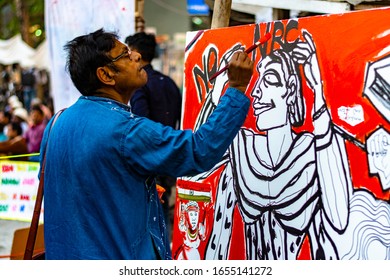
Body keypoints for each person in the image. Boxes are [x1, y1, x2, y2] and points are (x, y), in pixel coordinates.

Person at [40, 28, 253, 260]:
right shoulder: (126, 130)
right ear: (106, 75)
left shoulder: (56, 123)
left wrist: (134, 189)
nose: (137, 56)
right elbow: (199, 150)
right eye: (125, 54)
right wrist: (236, 89)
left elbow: (84, 187)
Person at [189, 30, 351, 260]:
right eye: (257, 82)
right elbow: (196, 167)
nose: (255, 92)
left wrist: (317, 92)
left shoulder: (310, 151)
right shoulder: (242, 145)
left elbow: (339, 217)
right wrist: (218, 92)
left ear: (292, 90)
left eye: (270, 80)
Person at [125, 32, 182, 242]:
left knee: (151, 214)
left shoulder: (140, 83)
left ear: (137, 54)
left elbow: (141, 124)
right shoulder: (169, 83)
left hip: (151, 159)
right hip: (170, 154)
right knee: (164, 208)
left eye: (128, 51)